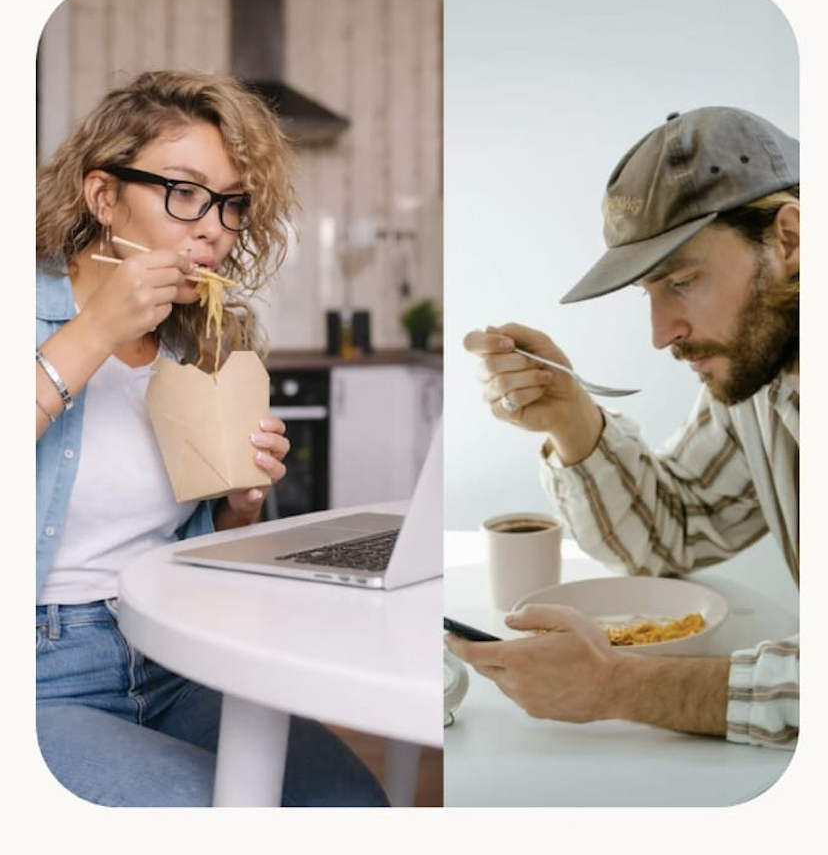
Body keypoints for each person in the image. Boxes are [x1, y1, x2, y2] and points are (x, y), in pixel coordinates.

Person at [36, 68, 389, 806]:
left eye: (230, 205)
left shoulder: (199, 344)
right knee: (214, 814)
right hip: (42, 674)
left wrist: (238, 506)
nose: (213, 228)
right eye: (185, 193)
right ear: (104, 197)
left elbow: (196, 538)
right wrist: (96, 328)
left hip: (173, 648)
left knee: (349, 803)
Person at [450, 106, 799, 748]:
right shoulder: (766, 370)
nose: (662, 334)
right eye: (649, 294)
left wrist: (618, 686)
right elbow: (680, 528)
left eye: (683, 281)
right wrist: (571, 416)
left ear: (790, 241)